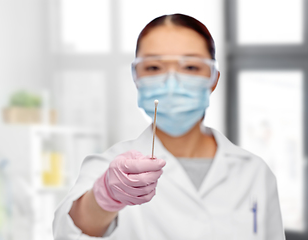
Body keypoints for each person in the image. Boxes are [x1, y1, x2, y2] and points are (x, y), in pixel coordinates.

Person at [53, 13, 285, 240]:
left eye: (191, 67)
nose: (172, 83)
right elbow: (68, 231)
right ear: (136, 77)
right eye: (154, 68)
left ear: (213, 78)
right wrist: (105, 197)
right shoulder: (110, 168)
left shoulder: (255, 173)